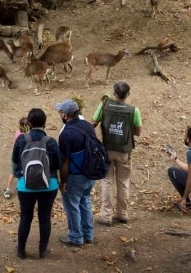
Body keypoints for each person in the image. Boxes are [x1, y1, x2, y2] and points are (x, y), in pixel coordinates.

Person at [11, 109, 62, 258]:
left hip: (25, 186)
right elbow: (57, 164)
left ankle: (21, 251)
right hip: (49, 185)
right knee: (45, 217)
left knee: (25, 217)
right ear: (45, 123)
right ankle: (42, 251)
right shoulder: (51, 142)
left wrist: (18, 176)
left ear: (29, 123)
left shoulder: (21, 140)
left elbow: (14, 163)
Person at [91, 80, 142, 225]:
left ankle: (106, 216)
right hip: (124, 151)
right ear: (128, 94)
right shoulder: (133, 110)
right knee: (123, 182)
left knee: (107, 182)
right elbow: (138, 132)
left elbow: (93, 122)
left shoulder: (104, 105)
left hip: (106, 149)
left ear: (113, 93)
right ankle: (122, 213)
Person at [56, 99, 96, 247]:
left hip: (75, 175)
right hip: (90, 172)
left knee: (72, 206)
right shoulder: (87, 126)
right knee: (85, 201)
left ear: (65, 115)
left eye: (60, 112)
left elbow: (65, 161)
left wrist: (63, 181)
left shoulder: (66, 133)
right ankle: (88, 234)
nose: (59, 114)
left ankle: (75, 237)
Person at [4, 117, 30, 199]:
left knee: (13, 172)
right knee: (21, 172)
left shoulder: (18, 132)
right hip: (21, 157)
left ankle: (8, 189)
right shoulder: (26, 136)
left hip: (14, 156)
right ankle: (20, 188)